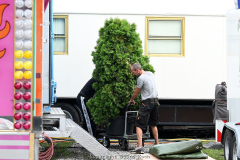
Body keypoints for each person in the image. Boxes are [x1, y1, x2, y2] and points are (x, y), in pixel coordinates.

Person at [129, 63, 159, 154]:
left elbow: (136, 92)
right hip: (155, 102)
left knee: (138, 124)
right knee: (153, 124)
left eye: (133, 72)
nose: (132, 74)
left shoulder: (141, 78)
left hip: (147, 103)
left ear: (137, 70)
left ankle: (140, 147)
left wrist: (131, 100)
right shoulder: (150, 73)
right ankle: (157, 145)